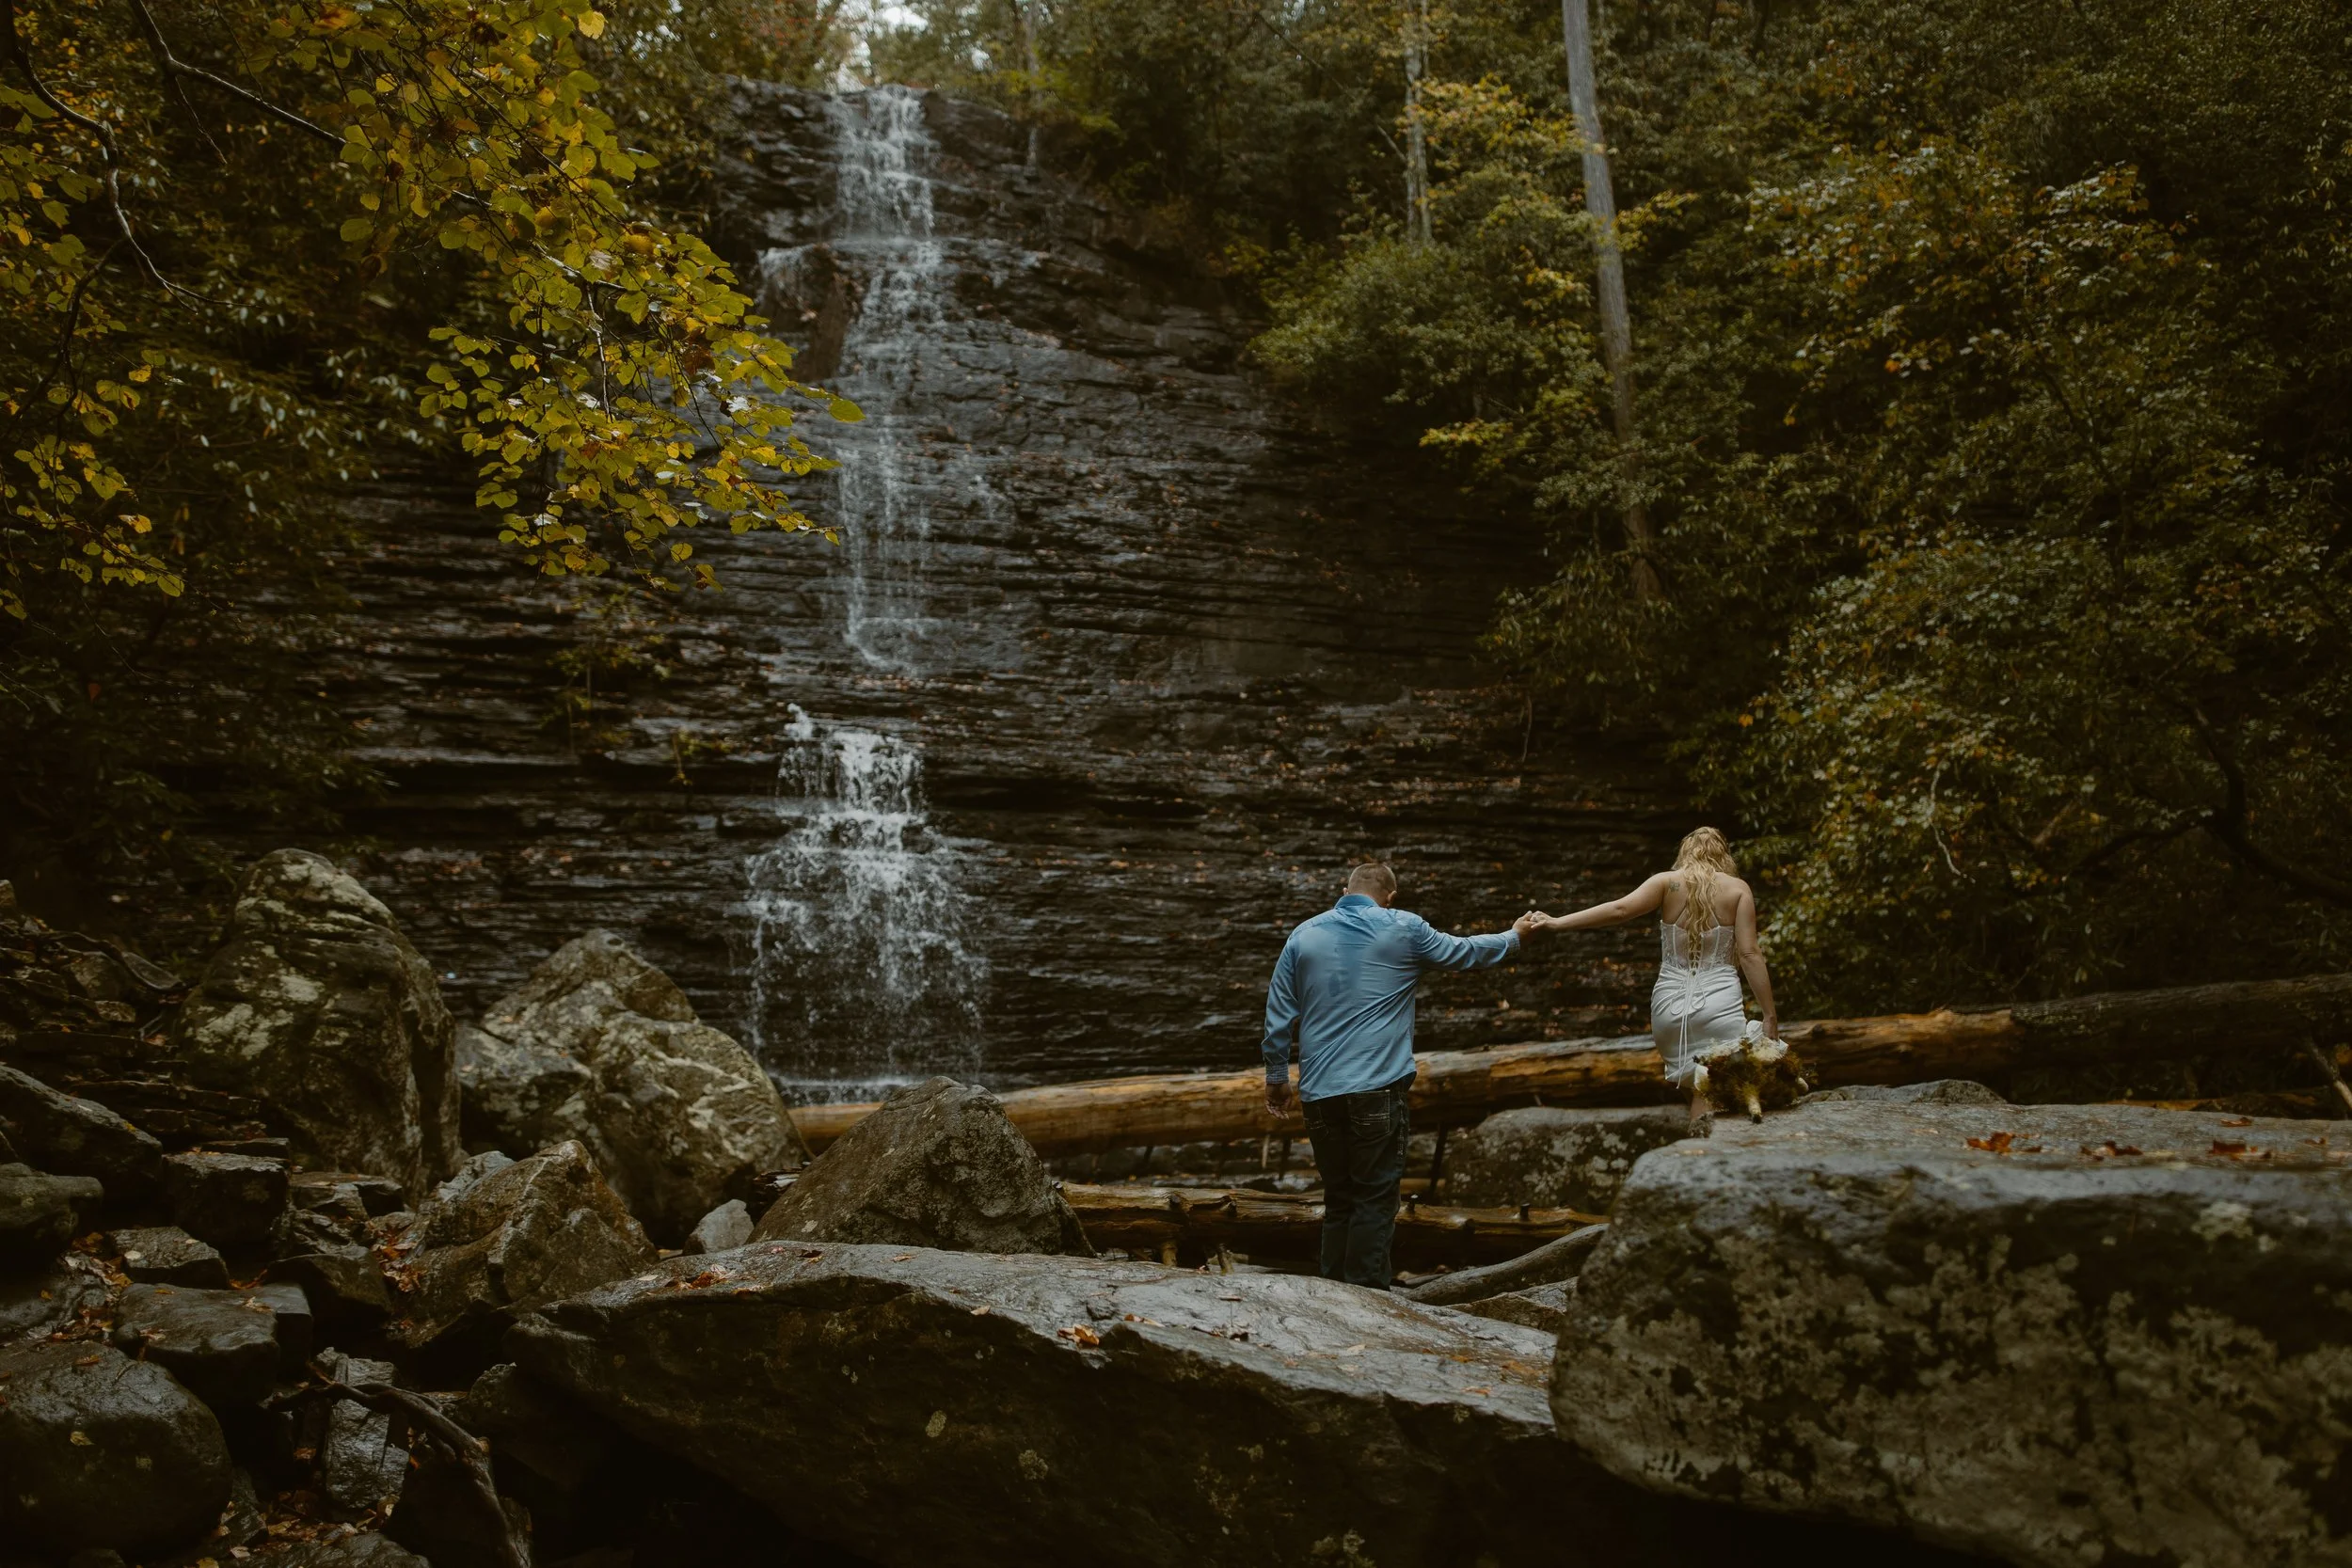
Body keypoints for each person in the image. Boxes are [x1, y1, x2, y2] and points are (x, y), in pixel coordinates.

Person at [1261, 862, 1538, 1290]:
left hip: (1319, 1092)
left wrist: (1277, 1077)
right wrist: (1515, 936)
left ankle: (1330, 1295)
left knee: (1339, 1199)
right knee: (1374, 1198)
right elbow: (1465, 952)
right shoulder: (1404, 927)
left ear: (1345, 891)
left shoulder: (1303, 935)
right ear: (1390, 897)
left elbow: (1279, 1012)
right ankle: (1368, 1300)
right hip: (1377, 1089)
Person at [1522, 826, 1779, 1101]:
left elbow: (1619, 909)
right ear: (1724, 855)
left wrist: (1557, 922)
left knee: (1700, 1092)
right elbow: (1749, 954)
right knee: (1721, 1093)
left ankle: (1698, 1130)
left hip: (1668, 1009)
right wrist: (1769, 1015)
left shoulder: (1666, 883)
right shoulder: (1738, 889)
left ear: (1685, 853)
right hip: (1719, 1006)